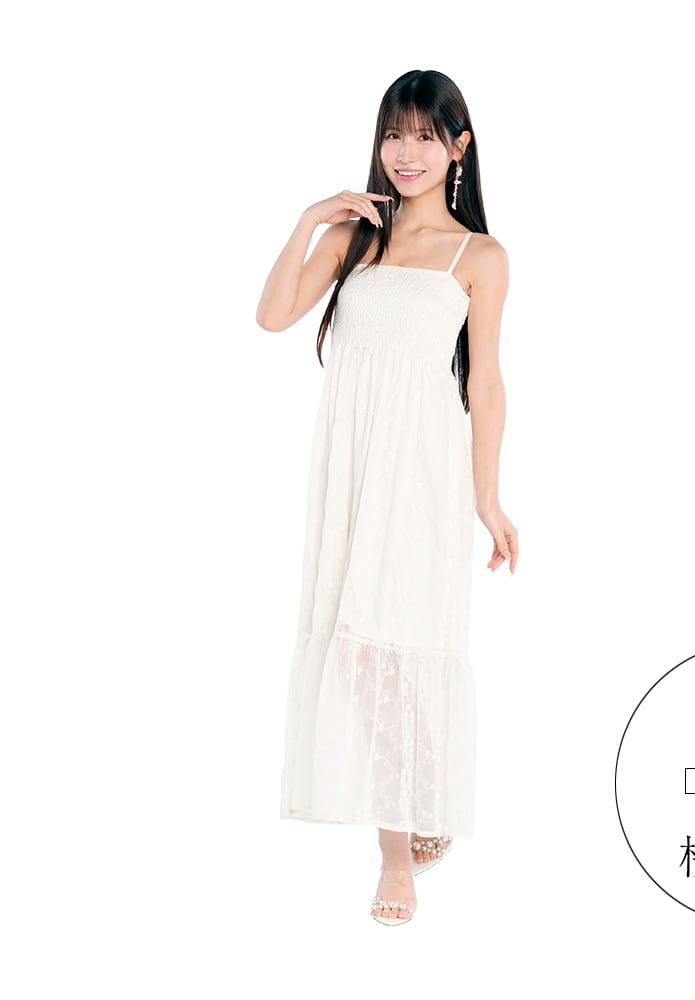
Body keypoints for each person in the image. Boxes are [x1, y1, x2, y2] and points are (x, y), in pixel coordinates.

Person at [256, 69, 517, 926]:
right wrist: (308, 221)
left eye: (425, 137)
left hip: (423, 473)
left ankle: (395, 855)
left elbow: (486, 381)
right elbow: (273, 316)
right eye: (394, 134)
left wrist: (488, 498)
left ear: (458, 148)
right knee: (356, 649)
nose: (406, 153)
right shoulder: (356, 237)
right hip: (350, 468)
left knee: (397, 645)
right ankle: (419, 798)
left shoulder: (479, 257)